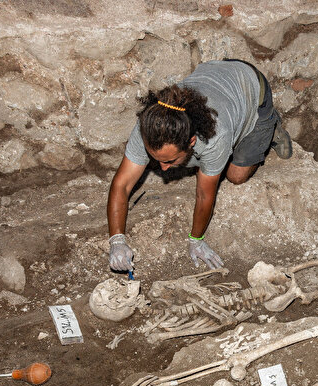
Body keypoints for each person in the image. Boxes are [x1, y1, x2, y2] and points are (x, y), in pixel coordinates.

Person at [106, 59, 292, 274]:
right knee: (201, 161)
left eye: (169, 161)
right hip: (216, 75)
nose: (163, 169)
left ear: (192, 141)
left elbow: (204, 195)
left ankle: (271, 127)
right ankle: (216, 147)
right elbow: (122, 184)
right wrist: (116, 240)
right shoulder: (149, 126)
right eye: (155, 158)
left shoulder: (215, 137)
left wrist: (196, 240)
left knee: (236, 175)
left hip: (252, 88)